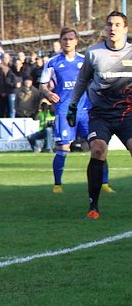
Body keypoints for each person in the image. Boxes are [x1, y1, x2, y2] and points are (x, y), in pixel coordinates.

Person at [69, 11, 132, 219]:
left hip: (127, 115)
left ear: (125, 29)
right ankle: (93, 207)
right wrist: (72, 105)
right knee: (98, 150)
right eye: (109, 24)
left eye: (117, 24)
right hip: (100, 114)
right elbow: (82, 81)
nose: (112, 28)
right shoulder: (94, 53)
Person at [40, 27, 94, 193]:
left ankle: (104, 184)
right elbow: (42, 85)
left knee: (98, 147)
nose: (68, 42)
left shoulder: (86, 61)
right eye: (65, 39)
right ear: (60, 41)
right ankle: (58, 185)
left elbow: (95, 82)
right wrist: (49, 93)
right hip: (65, 111)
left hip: (85, 110)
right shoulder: (53, 62)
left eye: (71, 39)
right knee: (64, 148)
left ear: (77, 41)